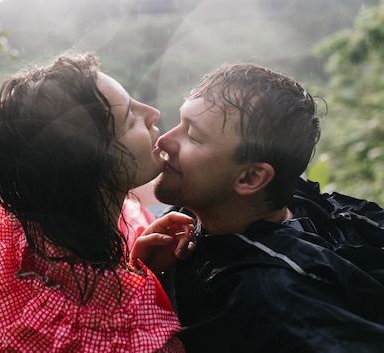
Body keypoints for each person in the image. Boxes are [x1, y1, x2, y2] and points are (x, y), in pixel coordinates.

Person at [0, 51, 195, 352]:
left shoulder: (19, 221)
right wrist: (135, 280)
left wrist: (131, 264)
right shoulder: (101, 325)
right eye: (130, 119)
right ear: (94, 164)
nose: (152, 112)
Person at [141, 63, 384, 352]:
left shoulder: (272, 300)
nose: (164, 140)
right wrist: (144, 277)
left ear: (251, 178)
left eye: (193, 136)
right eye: (181, 122)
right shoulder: (294, 202)